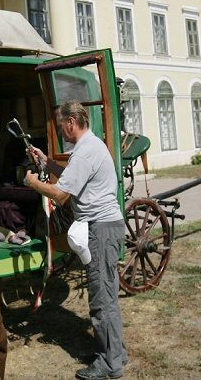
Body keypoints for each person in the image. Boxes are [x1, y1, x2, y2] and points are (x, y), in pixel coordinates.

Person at [25, 101, 128, 380]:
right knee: (107, 294)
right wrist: (46, 162)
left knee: (101, 298)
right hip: (105, 227)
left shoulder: (83, 152)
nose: (61, 131)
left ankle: (110, 363)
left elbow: (60, 194)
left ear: (72, 122)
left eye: (61, 126)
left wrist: (32, 182)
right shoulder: (89, 147)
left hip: (101, 230)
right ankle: (116, 352)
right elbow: (72, 178)